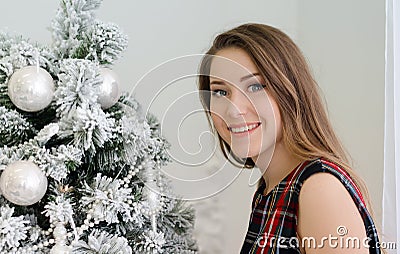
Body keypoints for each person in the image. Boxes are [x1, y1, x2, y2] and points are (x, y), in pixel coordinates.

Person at [198, 23, 382, 253]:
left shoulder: (318, 189)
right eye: (221, 92)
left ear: (291, 92)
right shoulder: (270, 191)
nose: (234, 110)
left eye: (255, 86)